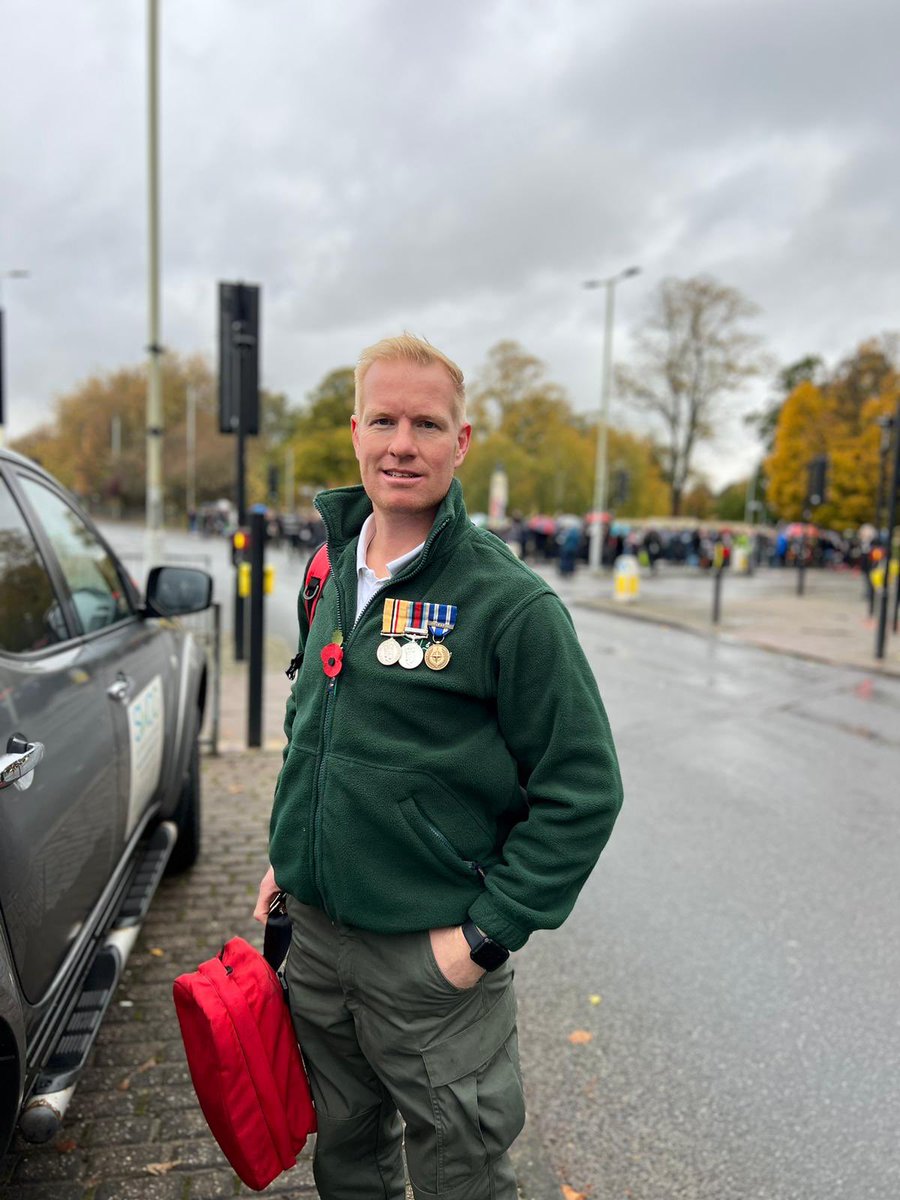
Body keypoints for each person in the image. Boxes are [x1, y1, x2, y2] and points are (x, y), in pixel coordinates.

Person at [254, 333, 623, 1200]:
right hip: (312, 944)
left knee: (463, 1175)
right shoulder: (329, 570)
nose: (401, 443)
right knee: (346, 1160)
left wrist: (483, 937)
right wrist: (283, 856)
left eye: (426, 424)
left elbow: (583, 790)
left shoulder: (511, 603)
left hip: (431, 967)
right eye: (383, 419)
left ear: (461, 442)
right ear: (355, 431)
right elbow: (315, 723)